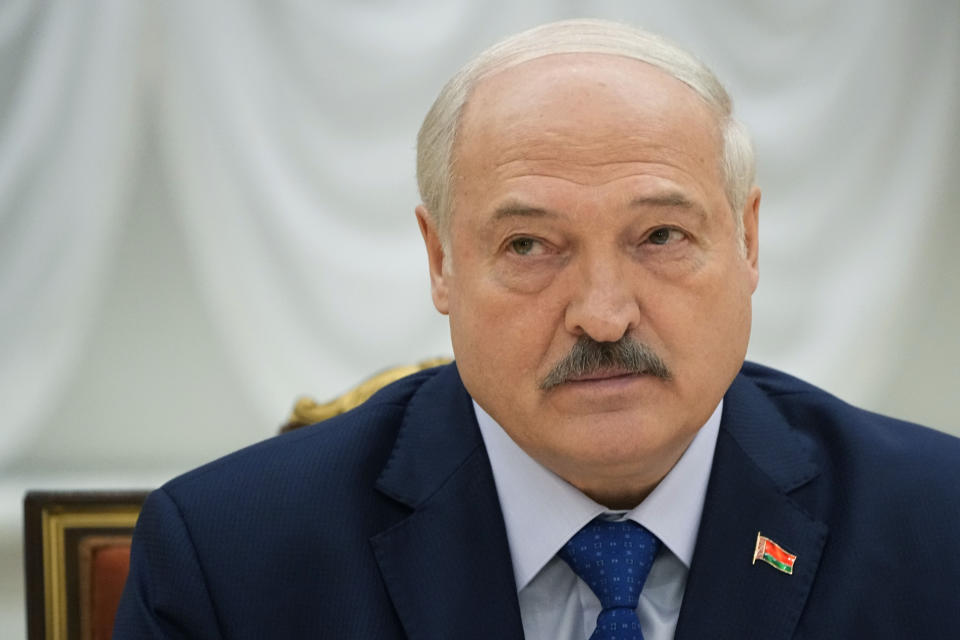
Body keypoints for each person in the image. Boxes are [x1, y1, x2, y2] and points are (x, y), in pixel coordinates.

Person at [114, 18, 959, 639]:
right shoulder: (230, 562)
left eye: (661, 236)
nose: (602, 313)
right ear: (441, 261)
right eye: (528, 245)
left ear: (747, 241)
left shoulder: (936, 526)